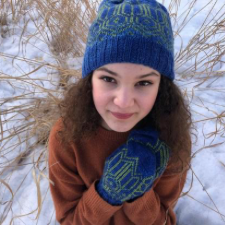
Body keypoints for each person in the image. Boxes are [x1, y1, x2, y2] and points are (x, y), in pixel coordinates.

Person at [48, 0, 192, 224]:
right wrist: (106, 194)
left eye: (143, 83)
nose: (123, 102)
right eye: (108, 79)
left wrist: (140, 193)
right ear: (90, 80)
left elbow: (164, 221)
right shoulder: (66, 136)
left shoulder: (171, 138)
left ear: (161, 86)